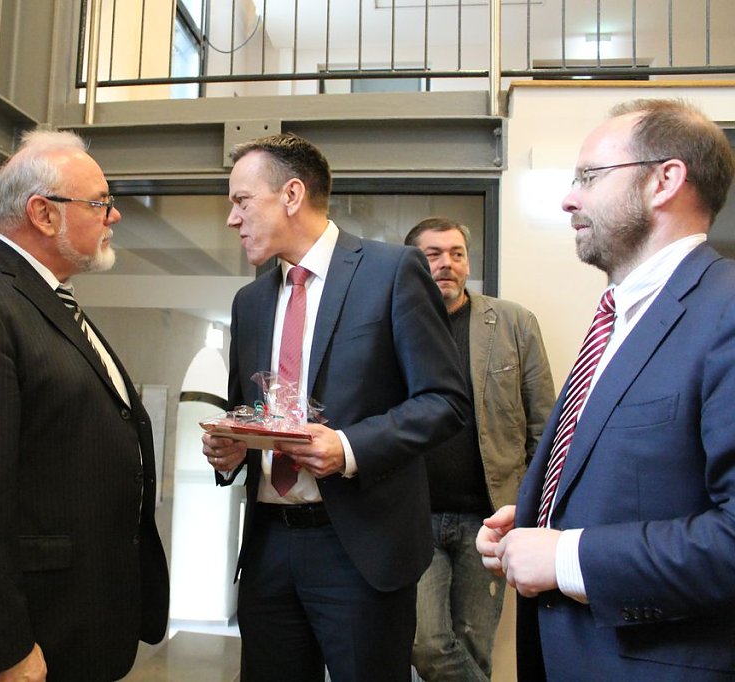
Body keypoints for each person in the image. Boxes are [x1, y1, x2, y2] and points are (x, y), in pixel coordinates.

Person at [476, 99, 735, 680]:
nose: (569, 199)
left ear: (665, 181)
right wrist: (539, 523)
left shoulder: (725, 312)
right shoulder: (619, 316)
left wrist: (567, 557)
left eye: (589, 176)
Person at [0, 129, 169, 681]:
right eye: (99, 203)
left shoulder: (50, 300)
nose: (114, 216)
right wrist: (5, 648)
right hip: (34, 634)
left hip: (83, 615)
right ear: (44, 214)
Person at [202, 132, 469, 681]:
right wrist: (232, 450)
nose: (232, 219)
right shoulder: (249, 302)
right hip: (268, 548)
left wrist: (348, 448)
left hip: (360, 549)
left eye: (242, 201)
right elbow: (247, 411)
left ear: (292, 195)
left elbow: (445, 401)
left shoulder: (391, 272)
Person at [403, 218, 555, 681]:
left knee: (473, 645)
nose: (446, 264)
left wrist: (532, 508)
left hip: (489, 519)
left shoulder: (514, 323)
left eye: (456, 253)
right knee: (426, 643)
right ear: (412, 264)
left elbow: (545, 426)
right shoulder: (394, 326)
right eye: (432, 255)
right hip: (414, 516)